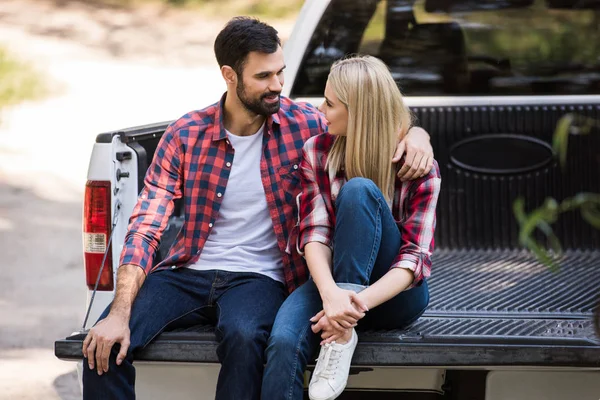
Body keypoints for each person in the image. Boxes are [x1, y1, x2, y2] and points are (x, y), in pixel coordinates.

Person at [81, 17, 434, 400]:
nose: (278, 86)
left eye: (281, 72)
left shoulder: (307, 125)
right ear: (230, 76)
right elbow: (146, 225)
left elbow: (371, 114)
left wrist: (419, 135)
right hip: (188, 272)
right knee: (102, 344)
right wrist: (118, 313)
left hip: (259, 277)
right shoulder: (186, 135)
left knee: (245, 336)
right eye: (264, 76)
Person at [261, 55, 442, 400]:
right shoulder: (317, 150)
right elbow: (314, 234)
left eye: (330, 103)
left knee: (359, 191)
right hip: (330, 284)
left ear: (358, 110)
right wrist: (331, 296)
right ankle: (341, 328)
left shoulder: (418, 165)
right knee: (283, 341)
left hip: (396, 297)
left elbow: (413, 260)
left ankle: (340, 340)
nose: (321, 108)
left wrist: (346, 312)